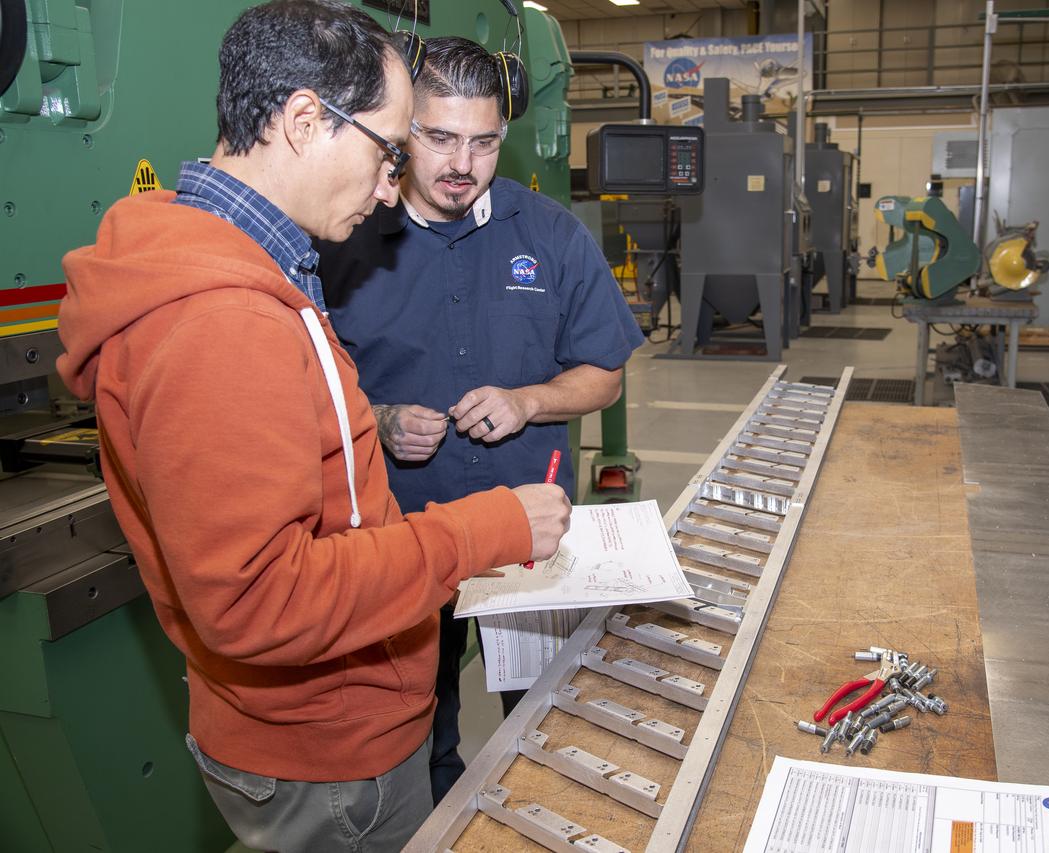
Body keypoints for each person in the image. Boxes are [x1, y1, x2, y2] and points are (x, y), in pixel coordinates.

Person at [54, 3, 570, 851]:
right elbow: (262, 599)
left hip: (324, 723)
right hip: (329, 758)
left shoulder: (247, 271)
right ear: (303, 121)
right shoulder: (222, 320)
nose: (386, 185)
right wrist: (485, 529)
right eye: (387, 151)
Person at [318, 36, 646, 803]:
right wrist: (380, 416)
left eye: (484, 141)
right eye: (438, 138)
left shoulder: (552, 236)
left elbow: (606, 373)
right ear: (402, 131)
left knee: (542, 723)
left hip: (523, 545)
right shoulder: (347, 238)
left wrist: (530, 400)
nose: (461, 163)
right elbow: (299, 391)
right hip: (397, 543)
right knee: (412, 729)